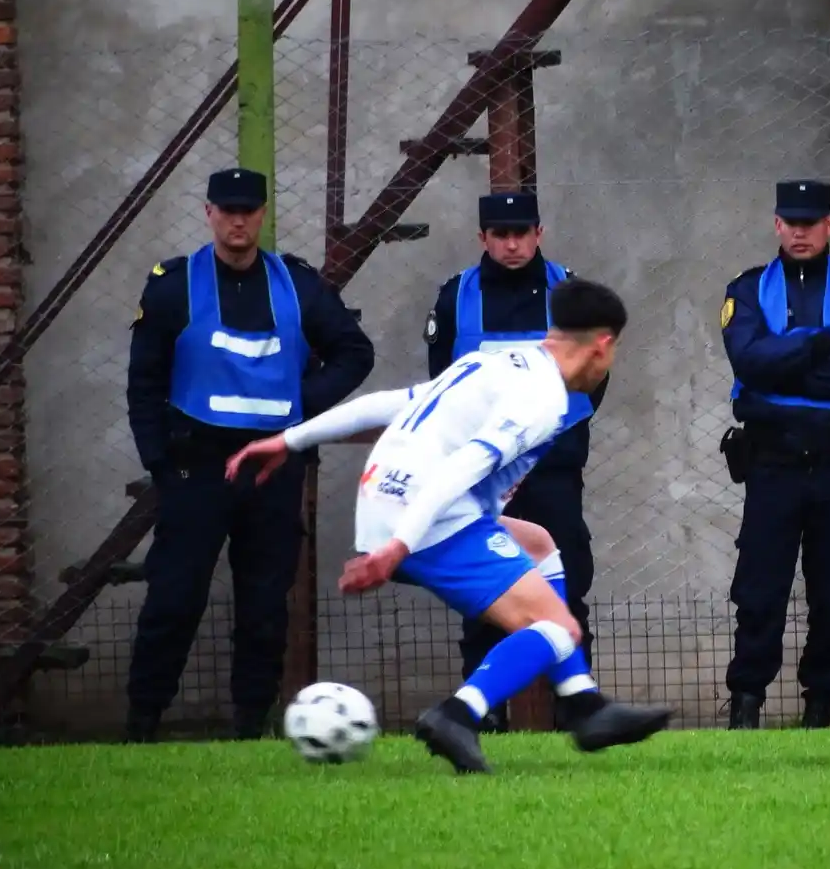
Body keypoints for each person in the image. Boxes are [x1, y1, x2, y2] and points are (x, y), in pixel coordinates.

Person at [223, 278, 672, 774]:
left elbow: (394, 404)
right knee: (558, 628)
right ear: (602, 345)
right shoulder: (543, 401)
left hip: (389, 500)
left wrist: (290, 440)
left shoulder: (497, 362)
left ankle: (584, 704)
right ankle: (458, 714)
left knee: (538, 544)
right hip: (426, 515)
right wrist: (399, 547)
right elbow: (462, 467)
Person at [124, 167, 375, 742]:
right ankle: (141, 724)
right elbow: (144, 379)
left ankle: (249, 727)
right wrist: (158, 461)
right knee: (174, 597)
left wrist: (298, 406)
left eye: (248, 211)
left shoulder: (299, 286)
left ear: (262, 215)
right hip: (195, 466)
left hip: (272, 468)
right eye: (227, 210)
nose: (237, 221)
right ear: (209, 213)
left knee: (264, 603)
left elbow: (354, 352)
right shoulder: (173, 286)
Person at [424, 191, 605, 733]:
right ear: (482, 237)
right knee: (484, 593)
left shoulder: (570, 294)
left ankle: (575, 708)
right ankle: (481, 716)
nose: (511, 244)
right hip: (483, 478)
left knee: (565, 587)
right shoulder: (456, 296)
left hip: (550, 471)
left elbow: (591, 379)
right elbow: (443, 383)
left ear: (538, 233)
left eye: (521, 233)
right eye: (500, 234)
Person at [719, 179, 830, 730]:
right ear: (776, 225)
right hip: (773, 463)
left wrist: (781, 360)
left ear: (829, 226)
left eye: (810, 223)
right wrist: (818, 343)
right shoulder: (747, 289)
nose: (800, 232)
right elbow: (747, 362)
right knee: (759, 590)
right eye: (790, 223)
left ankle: (822, 705)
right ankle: (746, 704)